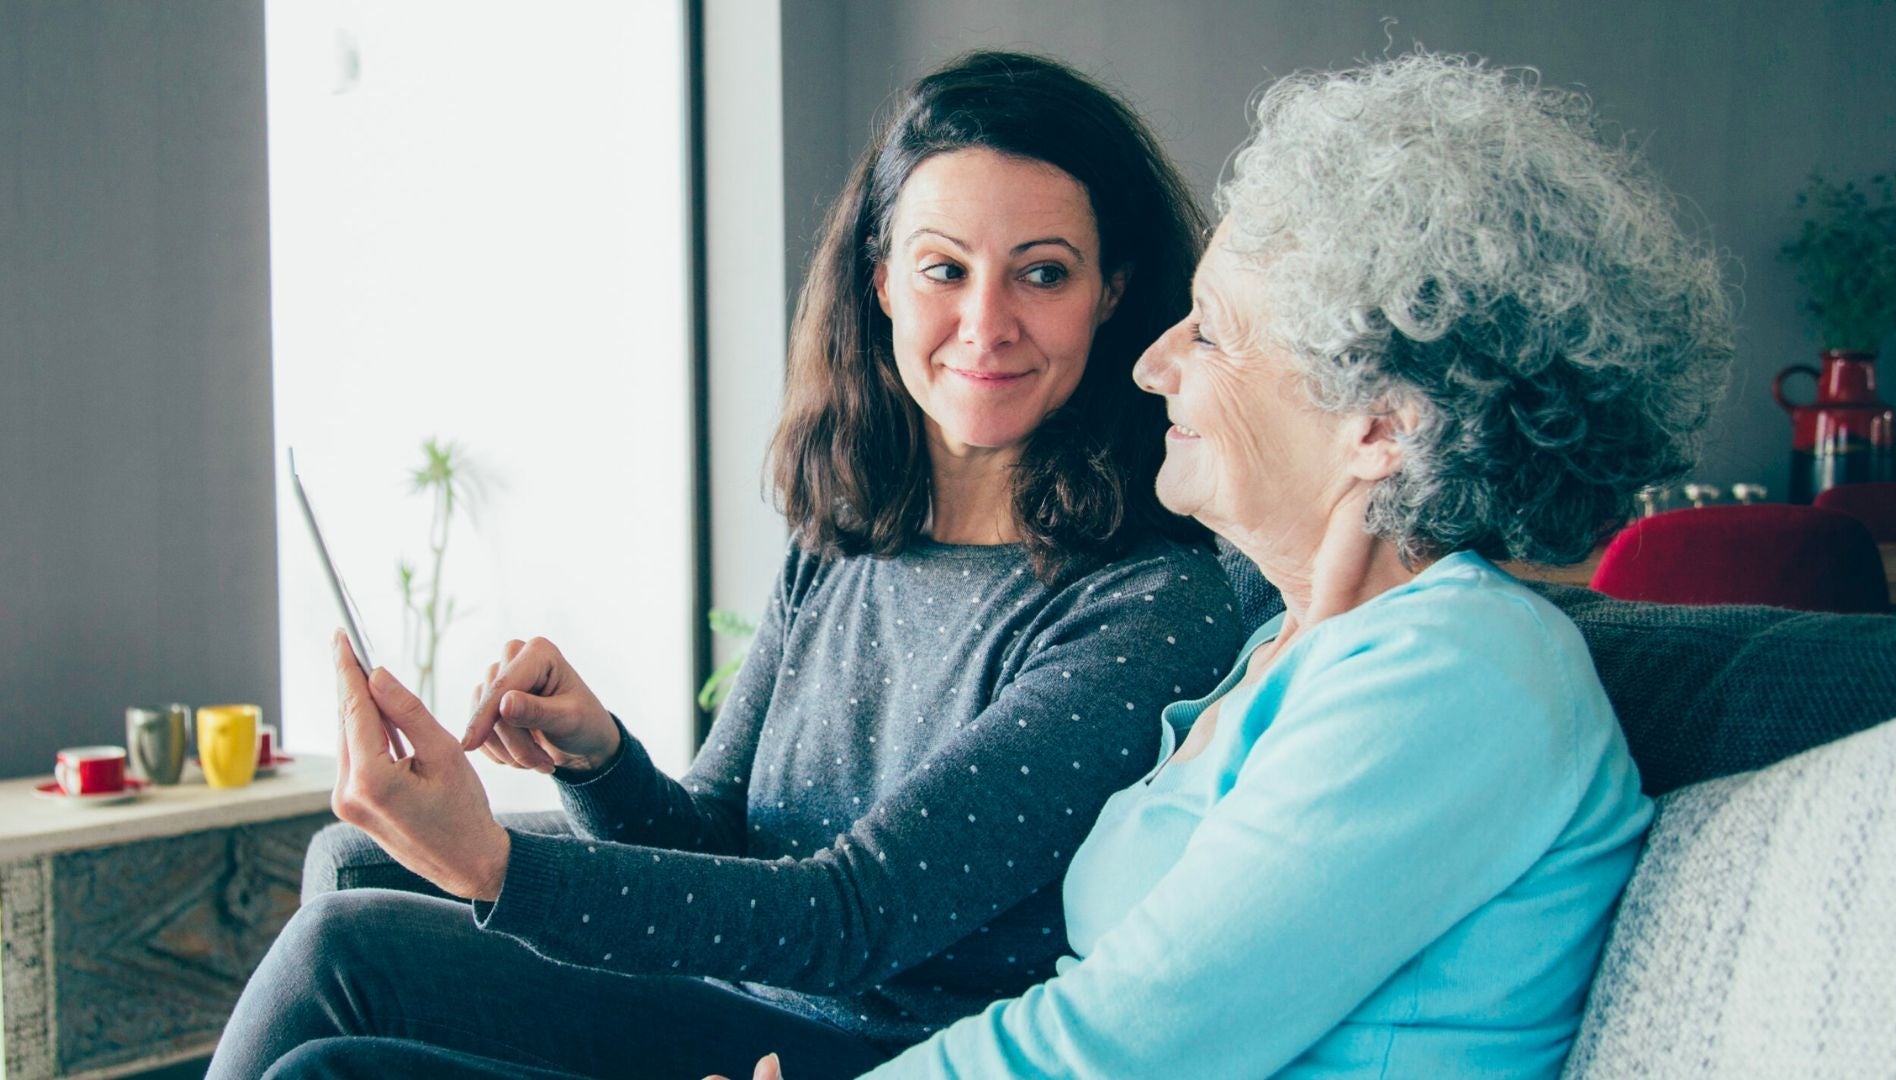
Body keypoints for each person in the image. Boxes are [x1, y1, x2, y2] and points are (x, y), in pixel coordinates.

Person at [206, 51, 1245, 1080]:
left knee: (338, 961)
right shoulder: (844, 542)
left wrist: (492, 863)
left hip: (877, 1044)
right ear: (880, 279)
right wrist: (598, 759)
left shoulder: (1145, 604)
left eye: (1043, 272)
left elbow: (853, 916)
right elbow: (718, 844)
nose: (986, 322)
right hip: (738, 1000)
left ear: (1113, 291)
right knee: (348, 868)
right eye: (945, 269)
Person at [728, 52, 1736, 1079]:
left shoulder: (1460, 672)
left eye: (1211, 335)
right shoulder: (1283, 644)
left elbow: (1132, 1041)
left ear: (1380, 425)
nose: (1152, 363)